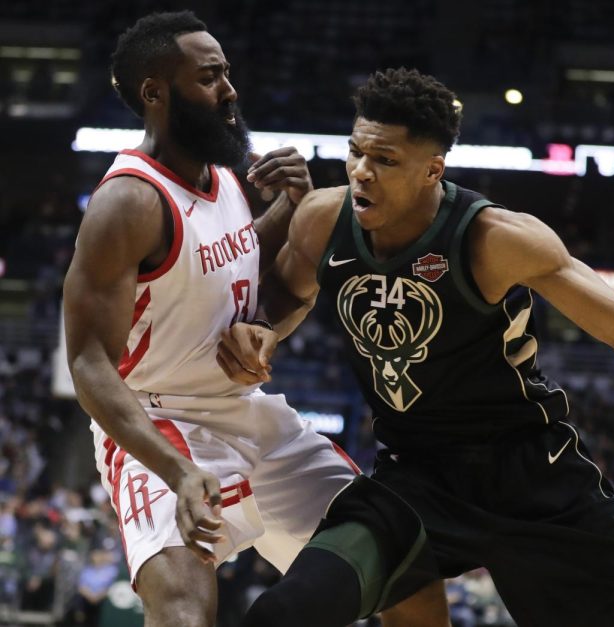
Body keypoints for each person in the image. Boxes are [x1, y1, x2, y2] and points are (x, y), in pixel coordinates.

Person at [219, 67, 614, 627]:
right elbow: (285, 294)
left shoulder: (495, 238)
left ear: (432, 170)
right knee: (281, 613)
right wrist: (265, 329)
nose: (361, 170)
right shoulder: (322, 219)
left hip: (534, 479)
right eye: (358, 150)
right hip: (418, 479)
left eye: (385, 160)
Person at [64, 14, 447, 627]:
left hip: (247, 410)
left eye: (227, 73)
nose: (230, 90)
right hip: (160, 421)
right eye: (210, 77)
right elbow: (87, 365)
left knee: (405, 570)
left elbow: (229, 266)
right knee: (185, 612)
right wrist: (177, 471)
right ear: (155, 92)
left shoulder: (222, 179)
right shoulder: (127, 203)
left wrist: (292, 209)